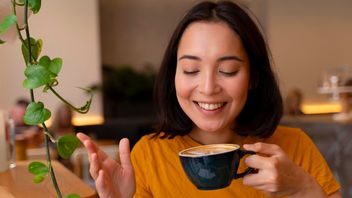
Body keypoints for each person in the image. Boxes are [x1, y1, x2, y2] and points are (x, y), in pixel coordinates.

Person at [77, 1, 341, 197]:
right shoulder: (149, 155)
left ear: (253, 77)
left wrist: (304, 190)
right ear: (173, 76)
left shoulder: (293, 149)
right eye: (191, 70)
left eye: (228, 71)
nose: (208, 87)